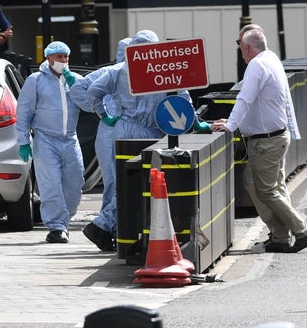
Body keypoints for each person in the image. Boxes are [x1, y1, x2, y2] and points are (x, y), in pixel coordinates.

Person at [83, 30, 204, 251]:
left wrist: (104, 115)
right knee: (142, 184)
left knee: (125, 182)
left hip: (122, 128)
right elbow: (182, 99)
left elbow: (92, 92)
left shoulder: (118, 70)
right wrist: (196, 123)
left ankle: (113, 229)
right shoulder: (163, 69)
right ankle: (103, 225)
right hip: (148, 133)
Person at [212, 27, 307, 253]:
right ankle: (280, 236)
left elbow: (245, 99)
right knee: (258, 183)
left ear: (246, 47)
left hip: (266, 141)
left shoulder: (256, 66)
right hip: (275, 137)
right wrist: (233, 121)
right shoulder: (271, 59)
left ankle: (302, 231)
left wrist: (230, 125)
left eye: (238, 42)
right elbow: (258, 104)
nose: (239, 47)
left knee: (268, 190)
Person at [15, 41, 85, 243]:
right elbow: (24, 110)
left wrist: (76, 87)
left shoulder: (76, 80)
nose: (63, 61)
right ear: (49, 58)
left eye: (66, 56)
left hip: (70, 139)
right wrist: (23, 141)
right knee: (51, 185)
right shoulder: (35, 80)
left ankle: (64, 220)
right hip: (45, 139)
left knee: (75, 183)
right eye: (59, 56)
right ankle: (56, 227)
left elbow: (88, 105)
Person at [68, 37, 131, 251]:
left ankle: (112, 229)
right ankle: (107, 228)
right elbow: (79, 89)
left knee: (116, 182)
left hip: (118, 128)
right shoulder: (111, 72)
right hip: (112, 129)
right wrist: (102, 113)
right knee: (115, 182)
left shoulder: (140, 72)